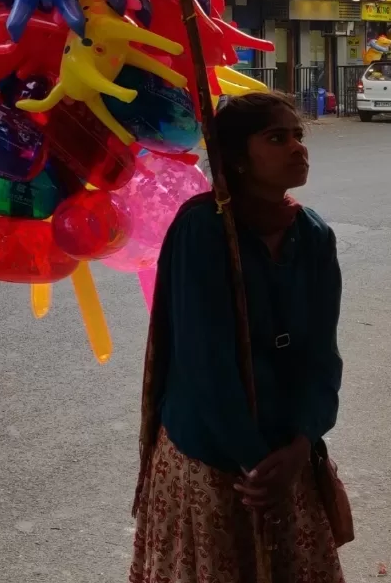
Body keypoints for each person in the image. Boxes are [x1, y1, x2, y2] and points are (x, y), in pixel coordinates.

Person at [130, 91, 345, 583]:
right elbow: (205, 363)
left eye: (298, 136)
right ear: (238, 160)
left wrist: (302, 442)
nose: (297, 148)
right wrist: (254, 464)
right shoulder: (203, 228)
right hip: (213, 455)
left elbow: (322, 356)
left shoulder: (313, 235)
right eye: (276, 138)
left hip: (287, 455)